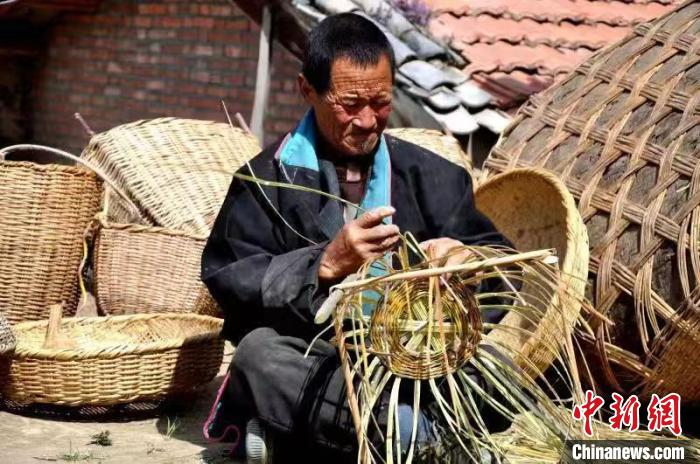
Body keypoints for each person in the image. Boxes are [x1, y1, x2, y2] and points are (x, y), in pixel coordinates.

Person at [201, 13, 511, 463]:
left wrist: (467, 263)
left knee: (502, 370)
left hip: (421, 365)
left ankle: (318, 433)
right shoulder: (264, 181)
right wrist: (324, 264)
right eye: (350, 104)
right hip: (320, 363)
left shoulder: (433, 176)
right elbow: (230, 278)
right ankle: (420, 437)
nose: (368, 120)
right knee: (258, 358)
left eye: (380, 102)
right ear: (307, 90)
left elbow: (504, 269)